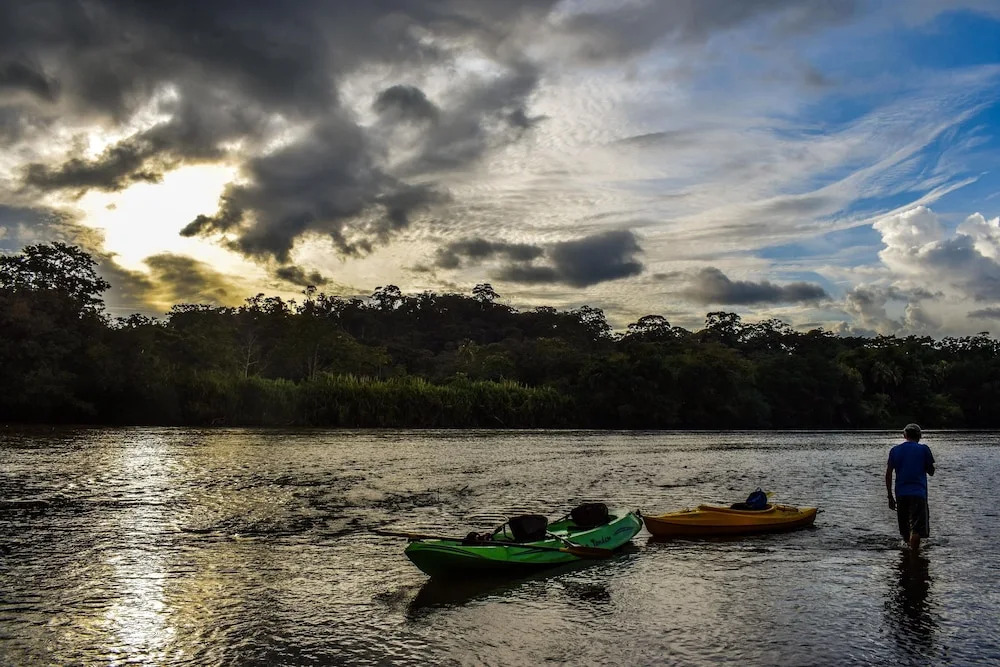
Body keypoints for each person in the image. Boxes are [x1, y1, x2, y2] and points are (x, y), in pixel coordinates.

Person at [886, 423, 935, 550]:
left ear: (904, 435)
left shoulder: (895, 450)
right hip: (918, 493)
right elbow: (931, 471)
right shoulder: (924, 449)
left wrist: (890, 496)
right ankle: (914, 557)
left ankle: (908, 556)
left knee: (905, 530)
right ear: (919, 436)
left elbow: (888, 474)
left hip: (901, 494)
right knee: (917, 529)